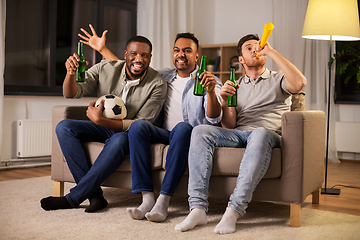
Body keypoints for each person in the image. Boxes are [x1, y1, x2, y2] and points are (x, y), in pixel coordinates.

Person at [78, 25, 222, 221]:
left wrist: (212, 90)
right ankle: (146, 198)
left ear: (197, 57)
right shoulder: (163, 76)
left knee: (182, 127)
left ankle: (163, 202)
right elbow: (130, 65)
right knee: (138, 125)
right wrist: (102, 50)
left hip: (191, 135)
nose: (181, 54)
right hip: (164, 133)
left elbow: (214, 118)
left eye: (187, 51)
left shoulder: (209, 80)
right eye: (177, 50)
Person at [174, 34, 307, 234]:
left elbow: (300, 83)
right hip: (240, 135)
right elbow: (229, 125)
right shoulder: (235, 84)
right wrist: (226, 101)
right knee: (200, 130)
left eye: (258, 46)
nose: (256, 49)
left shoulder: (278, 78)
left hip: (267, 134)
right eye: (249, 47)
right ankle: (198, 208)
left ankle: (234, 210)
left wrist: (271, 51)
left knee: (260, 133)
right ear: (241, 60)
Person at [40, 36, 167, 213]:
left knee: (119, 141)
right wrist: (70, 73)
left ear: (150, 57)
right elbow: (72, 93)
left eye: (144, 55)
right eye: (134, 54)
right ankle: (95, 196)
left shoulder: (158, 84)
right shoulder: (106, 68)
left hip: (128, 133)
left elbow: (141, 124)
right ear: (125, 55)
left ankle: (74, 198)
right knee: (64, 127)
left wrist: (100, 120)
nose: (139, 59)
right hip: (102, 128)